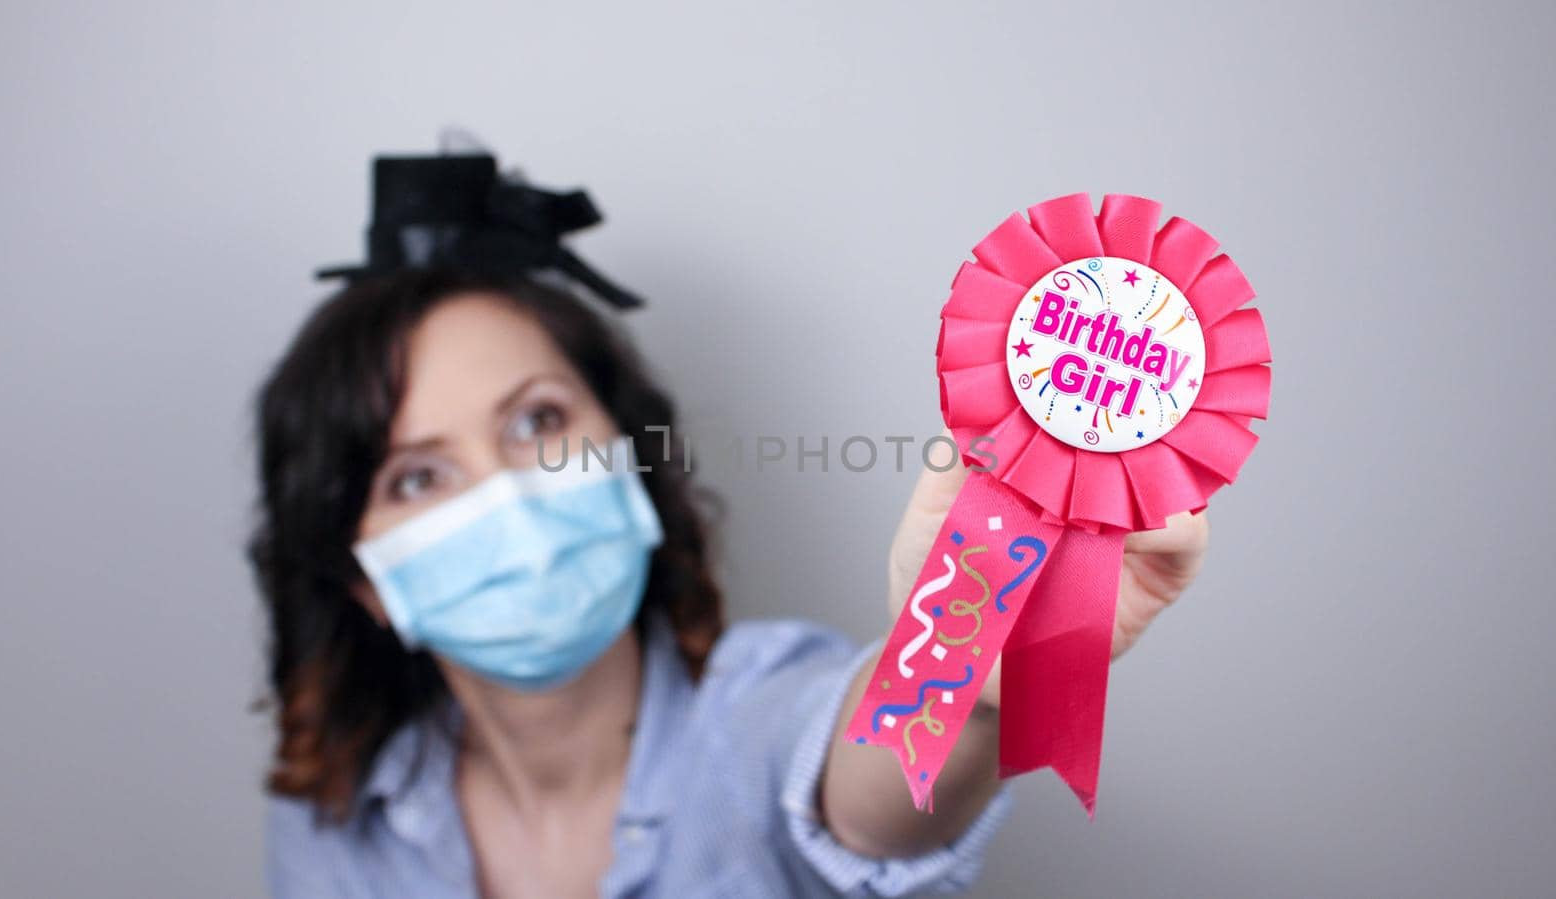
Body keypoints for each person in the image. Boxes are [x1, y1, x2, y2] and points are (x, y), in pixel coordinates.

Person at [249, 153, 1209, 898]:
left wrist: (961, 659)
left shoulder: (759, 710)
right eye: (418, 476)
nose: (507, 493)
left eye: (539, 421)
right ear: (363, 576)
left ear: (628, 448)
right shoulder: (338, 816)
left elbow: (869, 795)